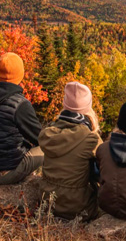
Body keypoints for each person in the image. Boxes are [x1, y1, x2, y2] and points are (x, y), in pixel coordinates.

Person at [0, 52, 43, 185]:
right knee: (47, 147)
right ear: (20, 75)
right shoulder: (20, 104)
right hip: (5, 174)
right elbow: (41, 138)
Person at [38, 81, 102, 222]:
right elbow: (104, 169)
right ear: (88, 109)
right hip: (77, 207)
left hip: (47, 201)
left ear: (64, 105)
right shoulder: (91, 139)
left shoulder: (48, 134)